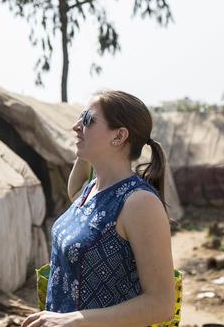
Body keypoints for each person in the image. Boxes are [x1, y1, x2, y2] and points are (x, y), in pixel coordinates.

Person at [22, 90, 175, 327]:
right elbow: (75, 192)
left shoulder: (139, 203)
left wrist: (74, 320)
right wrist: (86, 148)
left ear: (119, 136)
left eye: (87, 120)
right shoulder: (91, 190)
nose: (76, 126)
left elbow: (161, 304)